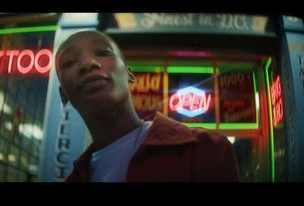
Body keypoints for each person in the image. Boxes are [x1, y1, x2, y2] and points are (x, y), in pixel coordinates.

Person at [54, 29, 240, 182]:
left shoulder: (206, 150)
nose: (88, 64)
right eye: (70, 62)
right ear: (64, 95)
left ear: (129, 74)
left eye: (104, 52)